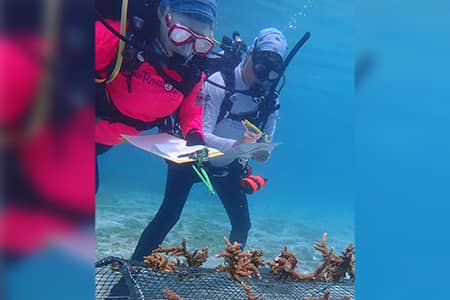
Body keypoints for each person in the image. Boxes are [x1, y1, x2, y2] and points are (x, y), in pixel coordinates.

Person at [131, 28, 288, 261]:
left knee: (242, 224)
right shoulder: (219, 82)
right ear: (250, 56)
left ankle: (230, 275)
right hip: (192, 159)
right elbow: (201, 133)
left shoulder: (270, 101)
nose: (263, 79)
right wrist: (237, 144)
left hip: (227, 166)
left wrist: (261, 153)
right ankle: (131, 273)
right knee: (169, 215)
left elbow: (265, 146)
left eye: (271, 75)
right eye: (260, 69)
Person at [95, 0, 217, 190]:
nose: (186, 49)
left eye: (200, 42)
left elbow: (191, 112)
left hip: (108, 140)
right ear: (162, 13)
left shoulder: (193, 72)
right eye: (181, 34)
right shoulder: (118, 38)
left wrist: (195, 137)